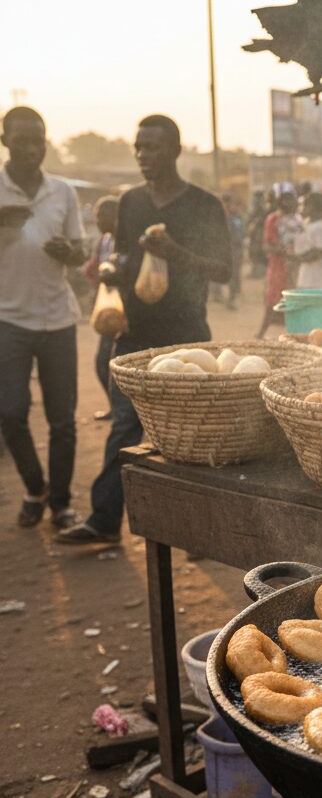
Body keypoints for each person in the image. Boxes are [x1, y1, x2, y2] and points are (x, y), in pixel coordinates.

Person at [58, 114, 231, 545]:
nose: (142, 155)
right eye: (138, 147)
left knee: (190, 438)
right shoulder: (130, 202)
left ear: (173, 150)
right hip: (134, 336)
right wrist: (113, 269)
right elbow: (120, 255)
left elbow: (224, 271)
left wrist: (174, 252)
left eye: (150, 147)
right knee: (123, 426)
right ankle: (104, 520)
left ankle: (198, 533)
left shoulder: (204, 205)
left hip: (187, 336)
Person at [0, 106, 86, 528]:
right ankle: (35, 487)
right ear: (5, 142)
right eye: (22, 140)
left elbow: (81, 250)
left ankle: (61, 504)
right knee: (11, 413)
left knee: (62, 419)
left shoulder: (62, 191)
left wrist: (69, 253)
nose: (33, 148)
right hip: (7, 319)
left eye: (39, 139)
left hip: (58, 317)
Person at [83, 195, 119, 419]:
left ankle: (125, 412)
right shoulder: (102, 241)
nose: (97, 221)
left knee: (110, 363)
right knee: (102, 363)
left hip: (123, 314)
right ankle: (117, 409)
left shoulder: (123, 242)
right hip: (108, 311)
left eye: (101, 216)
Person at [256, 185, 300, 339]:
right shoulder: (273, 219)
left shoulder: (297, 219)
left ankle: (292, 333)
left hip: (295, 266)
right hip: (278, 266)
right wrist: (284, 252)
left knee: (294, 300)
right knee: (272, 300)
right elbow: (267, 246)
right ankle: (262, 332)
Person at [292, 191, 322, 289]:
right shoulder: (306, 223)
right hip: (304, 277)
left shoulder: (321, 227)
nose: (302, 208)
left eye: (306, 205)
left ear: (315, 208)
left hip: (317, 280)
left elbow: (321, 251)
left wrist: (298, 258)